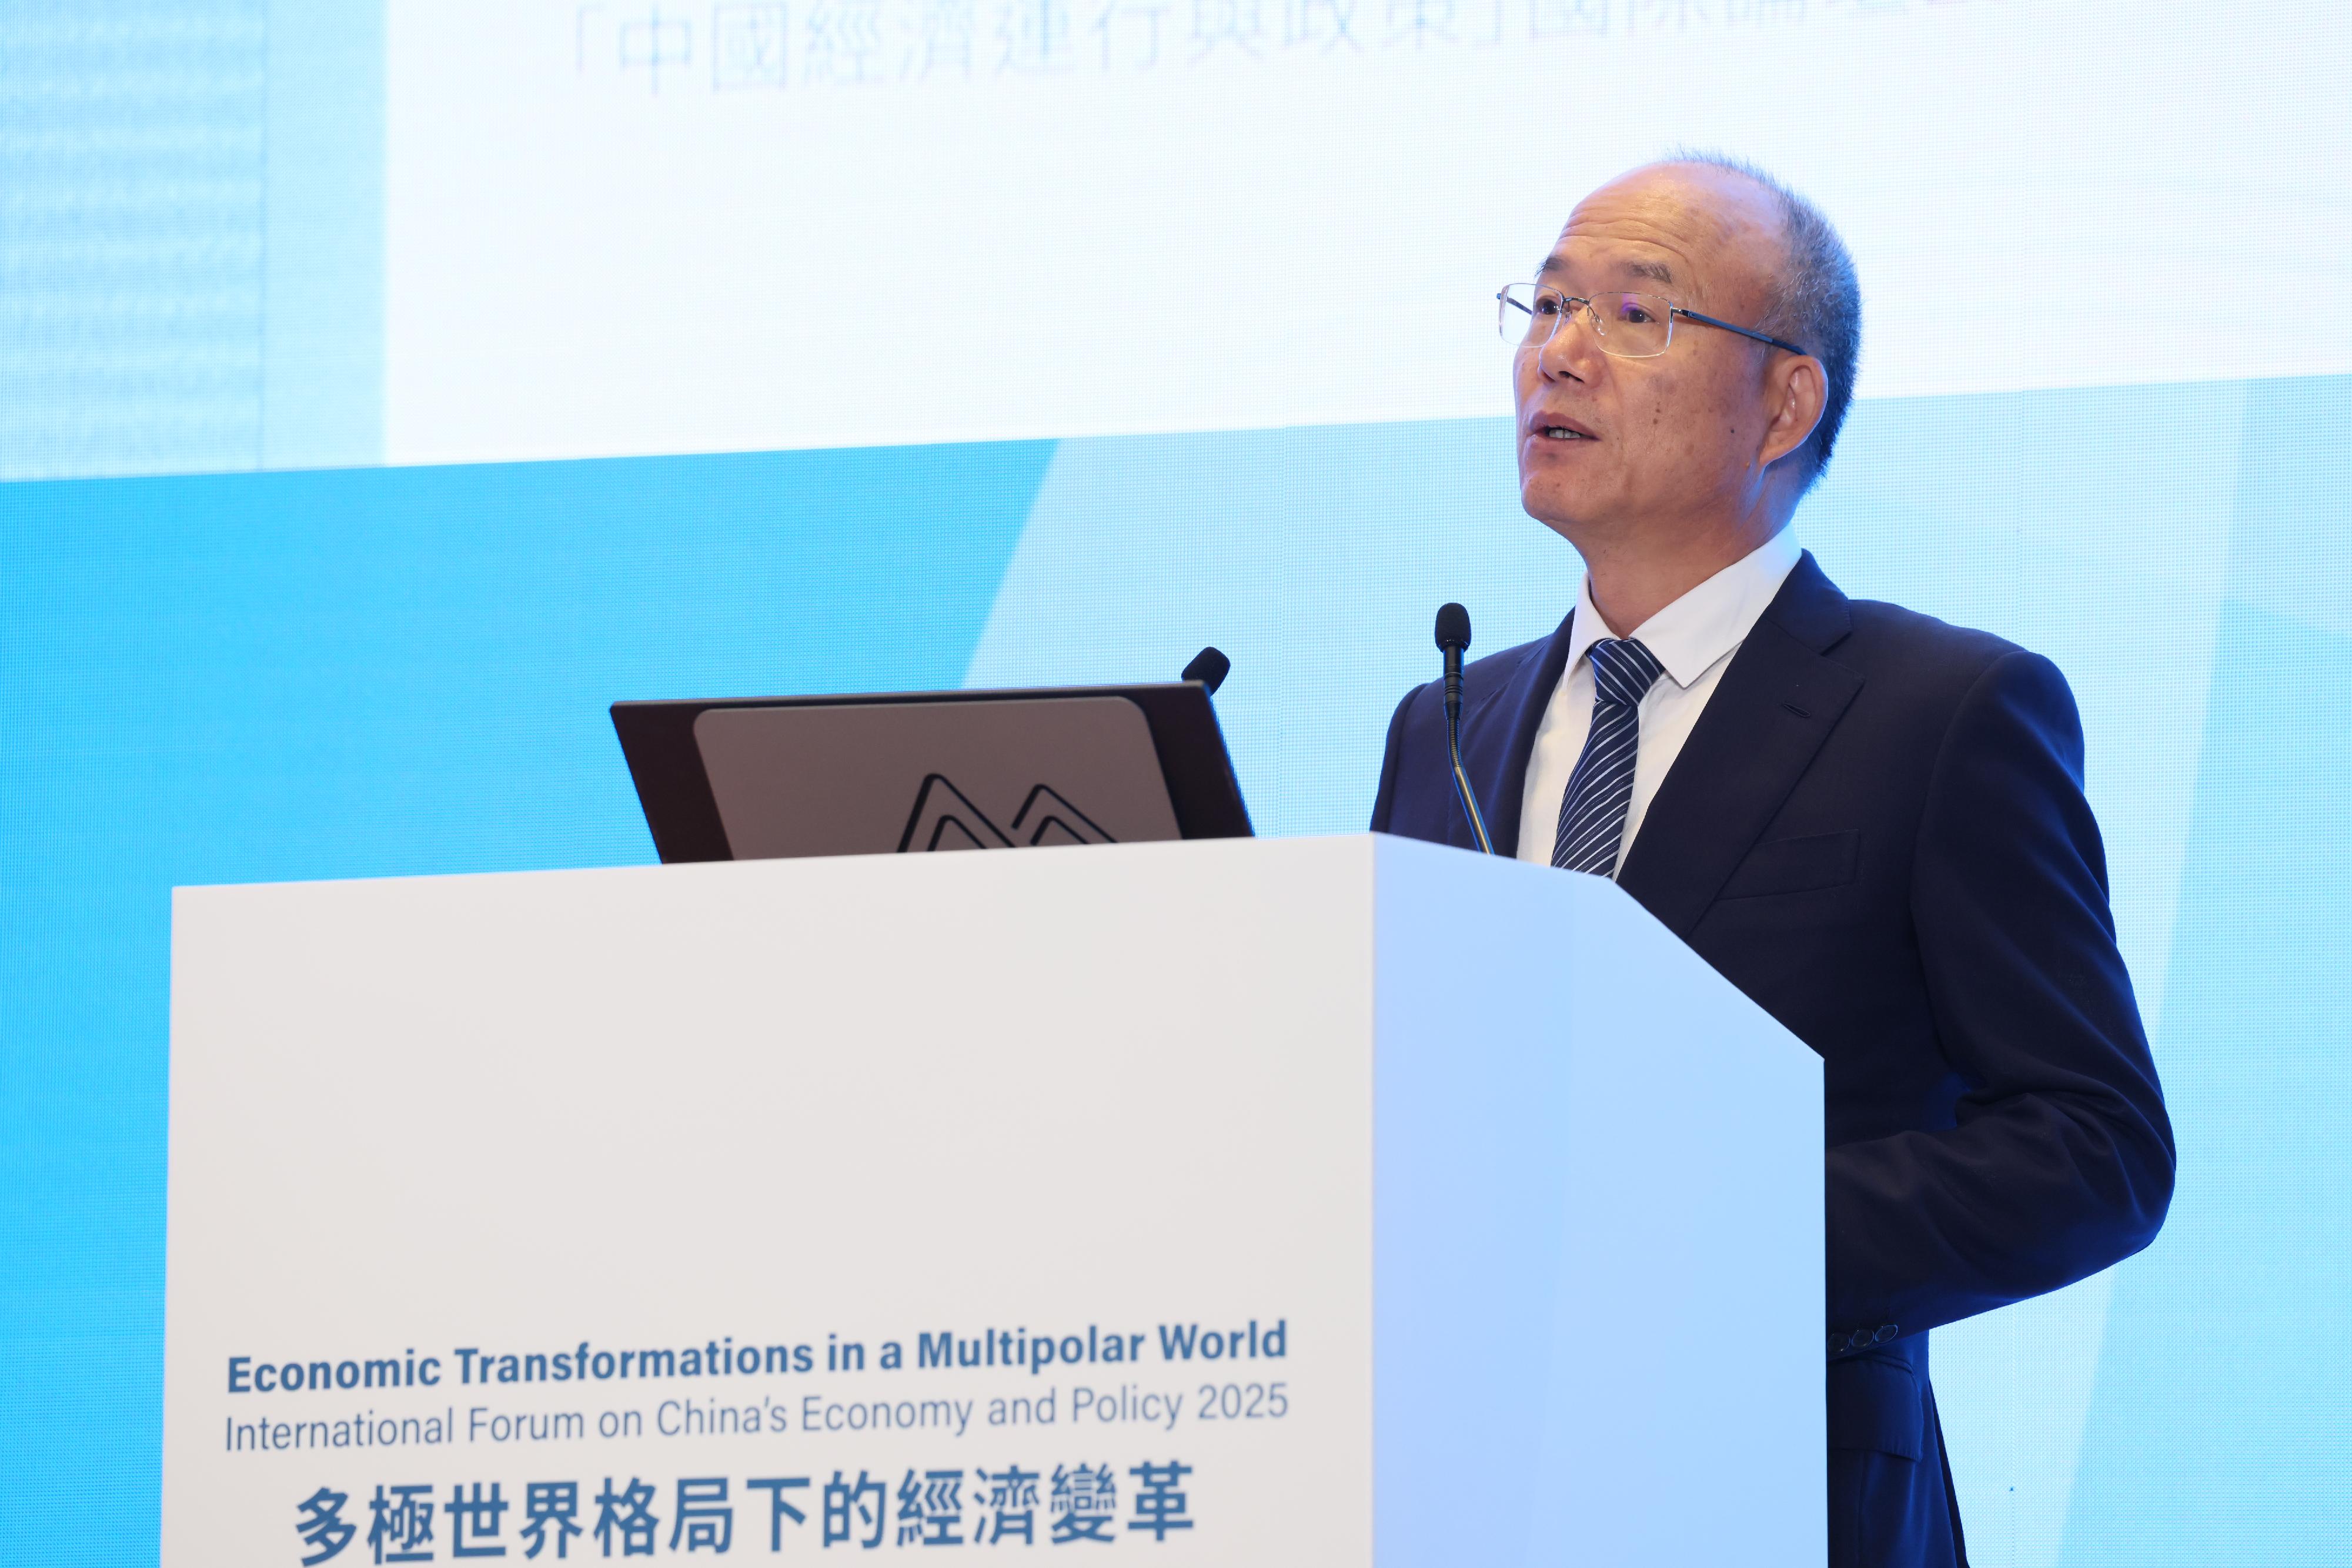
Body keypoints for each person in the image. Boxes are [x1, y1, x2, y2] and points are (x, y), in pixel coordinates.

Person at [1368, 155, 2175, 1567]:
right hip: (1453, 1494)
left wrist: (1713, 1232)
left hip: (1783, 1497)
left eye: (1633, 316)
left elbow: (2093, 1150)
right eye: (1544, 304)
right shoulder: (1444, 719)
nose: (1556, 352)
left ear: (1784, 402)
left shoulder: (1941, 711)